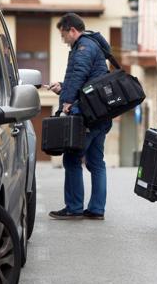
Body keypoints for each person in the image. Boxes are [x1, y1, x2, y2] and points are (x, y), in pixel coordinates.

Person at [47, 13, 113, 221]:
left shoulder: (83, 47)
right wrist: (63, 87)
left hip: (87, 114)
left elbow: (79, 74)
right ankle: (96, 209)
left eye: (63, 35)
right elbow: (88, 80)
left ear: (72, 30)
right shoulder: (94, 45)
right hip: (100, 112)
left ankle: (74, 207)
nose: (63, 40)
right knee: (96, 161)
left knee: (72, 158)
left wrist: (67, 100)